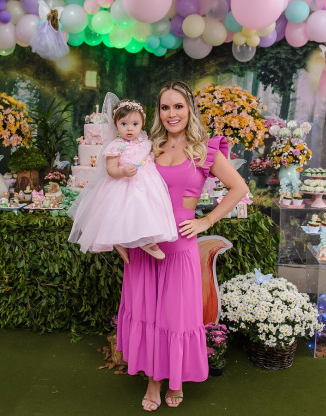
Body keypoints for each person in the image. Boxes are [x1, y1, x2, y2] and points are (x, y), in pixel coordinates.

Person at [116, 81, 249, 411]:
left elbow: (239, 187)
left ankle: (175, 379)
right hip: (145, 246)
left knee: (175, 318)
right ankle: (153, 381)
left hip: (180, 248)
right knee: (147, 314)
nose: (171, 113)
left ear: (190, 109)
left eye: (178, 106)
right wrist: (118, 234)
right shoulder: (148, 147)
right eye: (165, 107)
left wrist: (207, 221)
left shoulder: (204, 150)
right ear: (158, 112)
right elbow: (124, 190)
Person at [68, 99, 178, 260]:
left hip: (147, 182)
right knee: (129, 209)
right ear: (116, 124)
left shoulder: (144, 142)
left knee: (149, 209)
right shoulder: (116, 146)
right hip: (124, 183)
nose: (129, 128)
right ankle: (132, 241)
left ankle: (146, 239)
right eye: (124, 124)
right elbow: (111, 169)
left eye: (135, 124)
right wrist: (123, 172)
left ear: (142, 124)